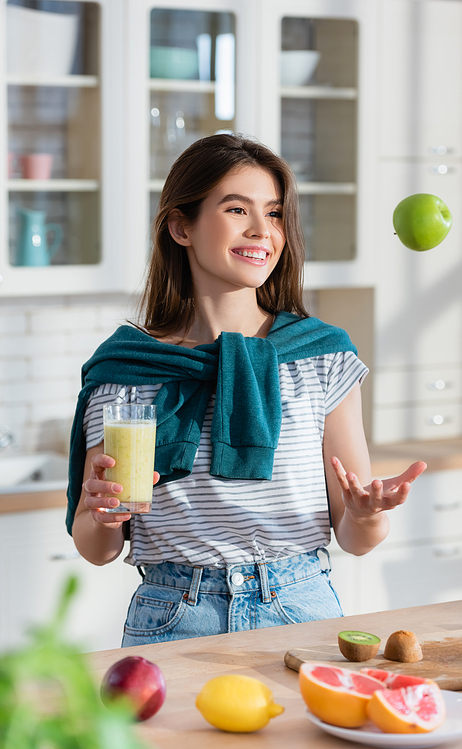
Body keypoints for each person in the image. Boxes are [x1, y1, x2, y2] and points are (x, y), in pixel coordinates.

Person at [67, 133, 426, 645]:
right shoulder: (126, 368)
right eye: (237, 209)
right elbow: (96, 548)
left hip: (299, 606)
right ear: (180, 226)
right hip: (171, 614)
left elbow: (356, 537)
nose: (262, 230)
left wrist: (367, 515)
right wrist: (100, 514)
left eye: (276, 214)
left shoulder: (323, 356)